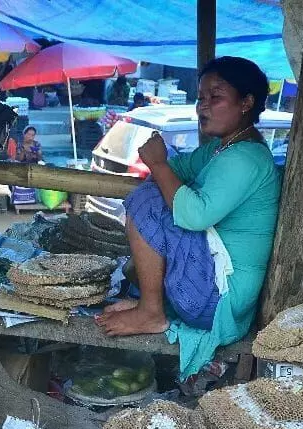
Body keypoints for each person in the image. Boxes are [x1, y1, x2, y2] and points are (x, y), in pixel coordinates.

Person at [99, 57, 282, 382]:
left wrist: (158, 165)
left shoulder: (245, 159)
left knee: (146, 201)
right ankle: (151, 305)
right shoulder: (222, 150)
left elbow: (194, 215)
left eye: (216, 97)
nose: (203, 106)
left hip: (220, 301)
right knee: (154, 194)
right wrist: (164, 167)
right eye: (201, 97)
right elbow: (181, 169)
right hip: (215, 293)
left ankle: (151, 312)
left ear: (246, 102)